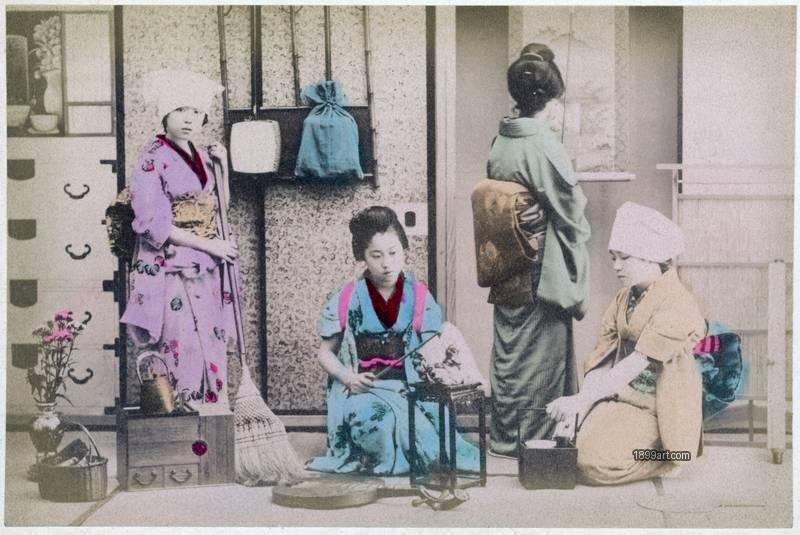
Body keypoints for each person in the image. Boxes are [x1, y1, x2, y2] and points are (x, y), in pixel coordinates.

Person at [307, 206, 480, 475]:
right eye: (376, 255)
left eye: (393, 253)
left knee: (434, 420)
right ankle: (389, 462)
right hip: (364, 387)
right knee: (380, 422)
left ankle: (422, 463)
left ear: (404, 251)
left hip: (410, 385)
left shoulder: (419, 294)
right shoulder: (347, 296)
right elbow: (325, 353)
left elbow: (434, 348)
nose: (386, 263)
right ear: (362, 256)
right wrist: (347, 377)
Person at [546, 202, 705, 485]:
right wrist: (581, 407)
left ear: (651, 257)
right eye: (613, 258)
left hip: (659, 404)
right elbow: (603, 358)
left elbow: (636, 361)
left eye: (624, 258)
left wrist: (582, 401)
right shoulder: (623, 298)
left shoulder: (678, 303)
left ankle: (668, 458)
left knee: (595, 465)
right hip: (621, 394)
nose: (617, 267)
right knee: (575, 452)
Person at [484, 43, 591, 457]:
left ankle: (505, 434)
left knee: (512, 346)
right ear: (551, 99)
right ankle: (534, 439)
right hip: (539, 264)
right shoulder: (543, 143)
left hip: (507, 262)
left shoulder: (503, 138)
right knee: (542, 353)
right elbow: (570, 210)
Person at [121, 69, 237, 410]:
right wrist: (209, 245)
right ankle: (181, 422)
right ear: (165, 115)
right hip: (171, 262)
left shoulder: (203, 155)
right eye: (180, 110)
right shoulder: (150, 160)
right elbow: (151, 223)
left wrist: (223, 167)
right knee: (181, 340)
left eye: (196, 112)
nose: (189, 119)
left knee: (210, 342)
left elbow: (220, 209)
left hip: (207, 262)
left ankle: (212, 419)